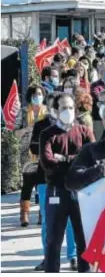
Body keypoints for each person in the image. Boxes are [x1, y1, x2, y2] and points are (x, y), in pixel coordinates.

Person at [39, 93, 95, 272]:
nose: (68, 111)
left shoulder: (84, 131)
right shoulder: (47, 135)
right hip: (57, 191)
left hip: (81, 192)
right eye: (64, 108)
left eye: (71, 107)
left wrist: (62, 158)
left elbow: (92, 160)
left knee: (83, 240)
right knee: (53, 241)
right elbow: (47, 162)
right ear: (55, 110)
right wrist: (76, 159)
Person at [30, 92, 77, 271]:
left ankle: (72, 256)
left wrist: (61, 157)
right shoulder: (42, 127)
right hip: (45, 180)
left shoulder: (75, 128)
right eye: (55, 107)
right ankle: (47, 257)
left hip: (71, 180)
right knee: (47, 222)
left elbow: (81, 154)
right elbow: (35, 149)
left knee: (72, 222)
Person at [19, 85, 48, 228]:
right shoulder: (24, 113)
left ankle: (42, 213)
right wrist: (27, 129)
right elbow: (14, 132)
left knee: (42, 183)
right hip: (27, 154)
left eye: (40, 94)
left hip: (43, 153)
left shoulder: (47, 113)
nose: (37, 96)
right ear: (30, 96)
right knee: (28, 184)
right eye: (35, 94)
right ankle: (24, 214)